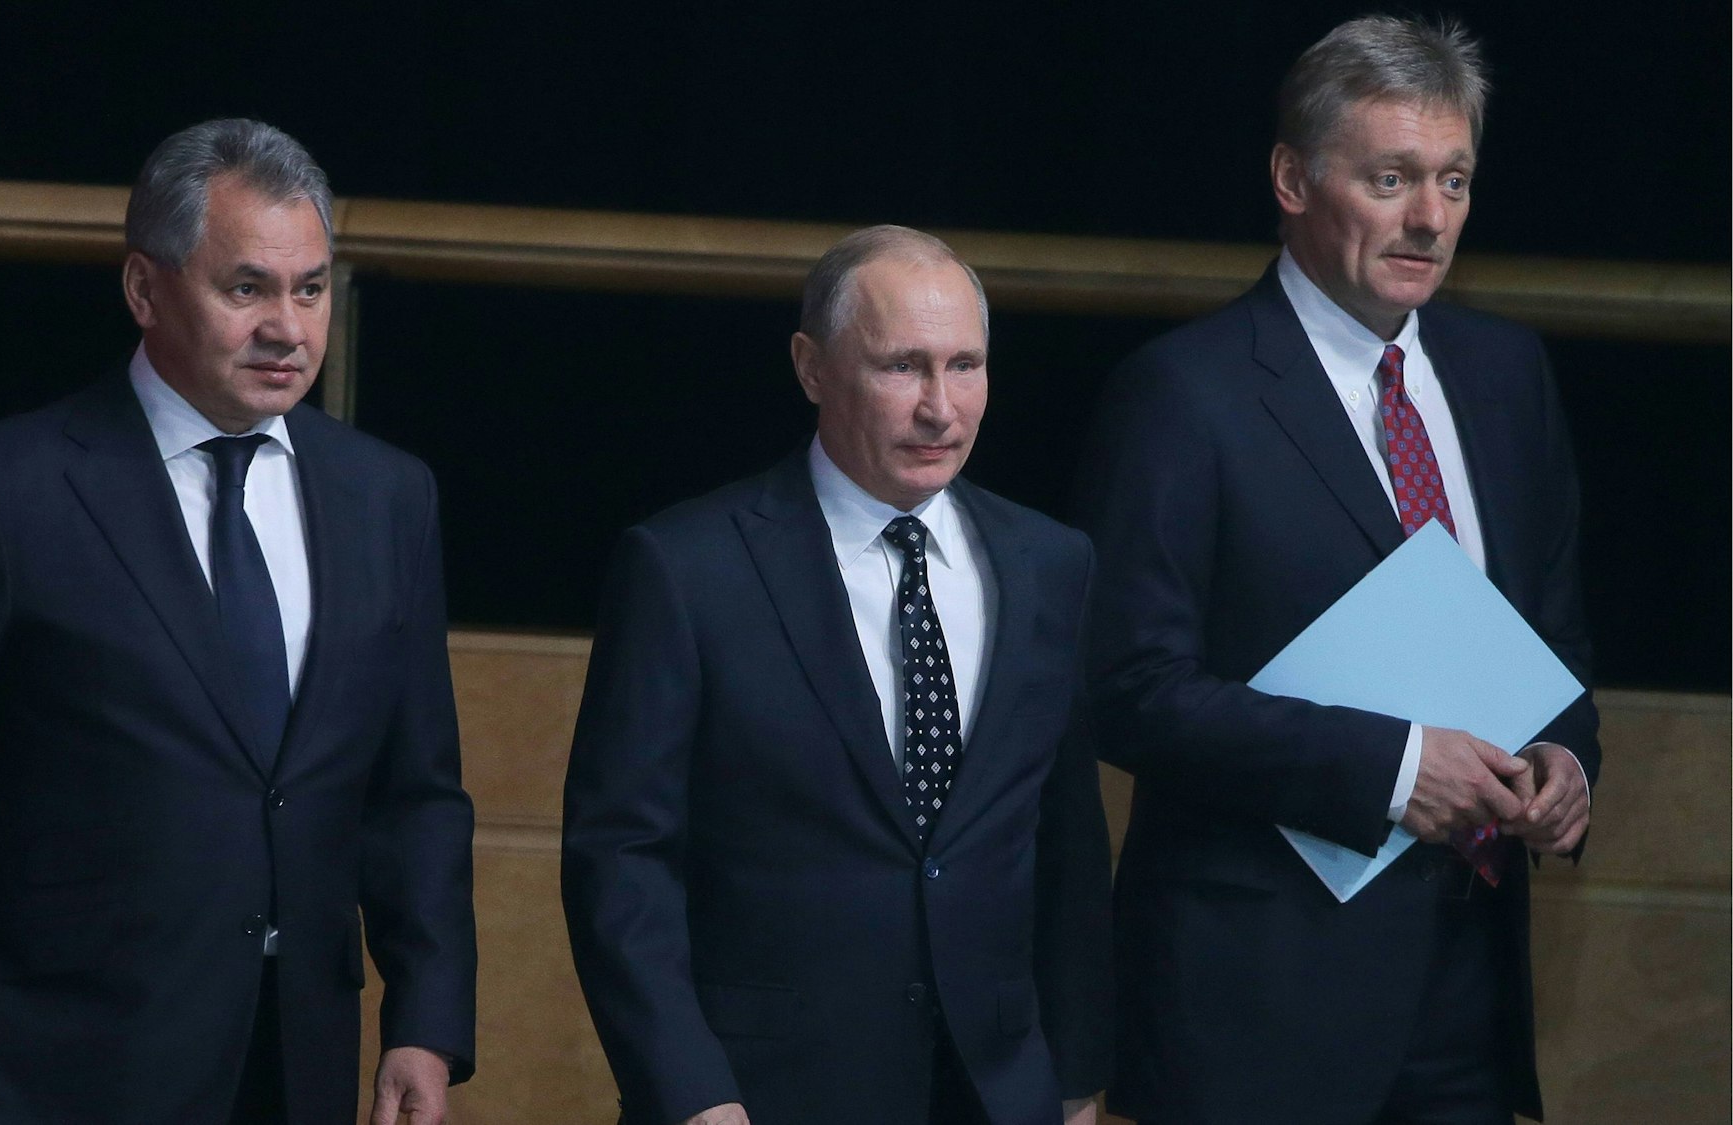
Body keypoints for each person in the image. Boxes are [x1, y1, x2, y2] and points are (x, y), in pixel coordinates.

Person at [0, 118, 476, 1125]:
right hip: (43, 1064)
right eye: (245, 288)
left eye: (310, 287)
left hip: (291, 1059)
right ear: (143, 289)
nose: (287, 327)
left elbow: (415, 791)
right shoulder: (4, 491)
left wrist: (426, 1016)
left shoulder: (388, 497)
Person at [1074, 17, 1599, 1125]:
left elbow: (1554, 641)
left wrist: (1564, 760)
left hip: (1470, 990)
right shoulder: (1181, 395)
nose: (1427, 218)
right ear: (1290, 178)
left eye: (1451, 181)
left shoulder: (1507, 376)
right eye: (1390, 177)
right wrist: (1391, 769)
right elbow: (1125, 688)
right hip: (1255, 1008)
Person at [561, 225, 1113, 1125]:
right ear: (812, 367)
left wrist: (1077, 1079)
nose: (942, 408)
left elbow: (1067, 846)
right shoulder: (687, 567)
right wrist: (692, 1094)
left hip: (998, 1093)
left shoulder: (1052, 563)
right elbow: (620, 860)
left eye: (965, 366)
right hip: (761, 1099)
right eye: (904, 367)